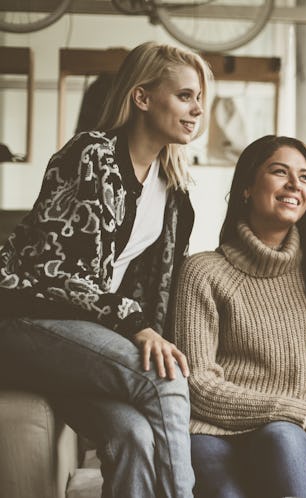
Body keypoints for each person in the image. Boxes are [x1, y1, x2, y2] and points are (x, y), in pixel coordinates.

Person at [0, 41, 213, 498]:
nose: (197, 109)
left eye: (200, 99)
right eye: (185, 96)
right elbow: (54, 271)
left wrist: (152, 329)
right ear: (142, 97)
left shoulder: (173, 190)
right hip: (26, 319)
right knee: (167, 379)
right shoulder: (92, 155)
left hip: (85, 336)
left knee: (132, 436)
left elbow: (158, 288)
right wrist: (134, 325)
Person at [171, 135, 306, 498]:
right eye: (279, 172)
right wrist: (300, 413)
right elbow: (198, 384)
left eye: (304, 177)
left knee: (281, 437)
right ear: (247, 188)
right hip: (212, 429)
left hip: (286, 437)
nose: (295, 184)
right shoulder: (202, 272)